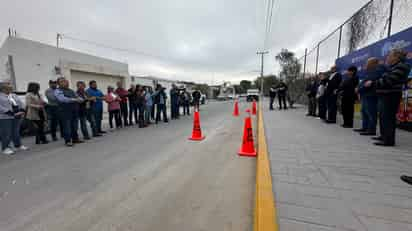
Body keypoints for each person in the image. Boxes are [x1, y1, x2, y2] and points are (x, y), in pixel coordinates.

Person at [364, 49, 411, 146]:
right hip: (385, 95)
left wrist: (373, 83)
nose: (387, 57)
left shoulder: (401, 67)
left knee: (388, 118)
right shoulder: (393, 67)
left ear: (396, 57)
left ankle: (388, 140)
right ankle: (383, 136)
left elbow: (389, 81)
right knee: (383, 117)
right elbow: (384, 79)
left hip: (391, 95)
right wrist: (378, 82)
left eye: (389, 55)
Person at [354, 58, 385, 135]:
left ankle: (371, 130)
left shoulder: (378, 69)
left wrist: (359, 89)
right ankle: (365, 128)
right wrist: (358, 87)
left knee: (371, 113)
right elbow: (363, 81)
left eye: (368, 63)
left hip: (371, 95)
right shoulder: (369, 71)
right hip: (365, 95)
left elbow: (368, 82)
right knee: (364, 112)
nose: (366, 64)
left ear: (373, 63)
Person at [0, 82, 28, 155]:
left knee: (16, 131)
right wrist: (10, 113)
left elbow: (21, 103)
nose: (11, 87)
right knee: (6, 133)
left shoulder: (13, 95)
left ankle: (18, 145)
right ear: (3, 88)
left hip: (17, 115)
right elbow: (1, 108)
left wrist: (22, 110)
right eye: (8, 86)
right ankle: (5, 148)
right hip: (5, 117)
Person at [54, 78, 84, 146]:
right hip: (64, 111)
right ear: (58, 84)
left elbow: (78, 97)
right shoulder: (58, 91)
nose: (64, 82)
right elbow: (62, 99)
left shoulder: (71, 90)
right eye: (62, 81)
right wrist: (75, 100)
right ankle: (68, 141)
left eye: (65, 81)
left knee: (75, 126)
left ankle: (75, 139)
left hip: (74, 110)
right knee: (67, 127)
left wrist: (80, 99)